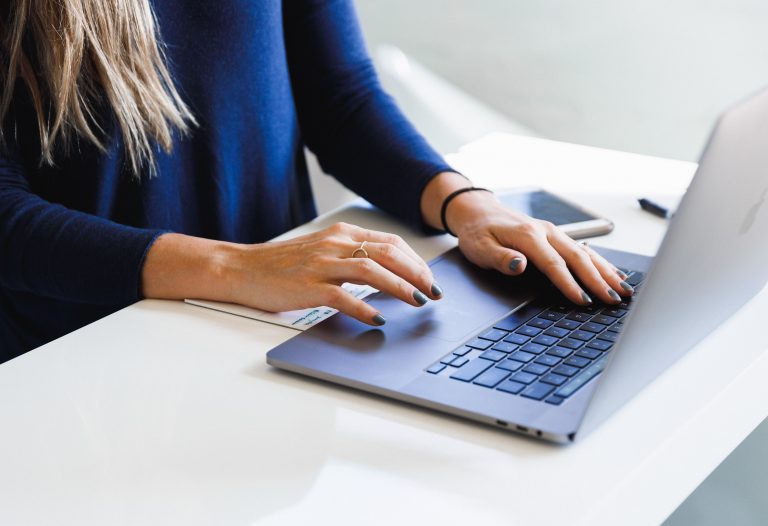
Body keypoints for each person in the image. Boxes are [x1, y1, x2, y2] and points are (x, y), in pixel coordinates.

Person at [0, 0, 633, 364]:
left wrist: (464, 202)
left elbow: (339, 96)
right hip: (86, 355)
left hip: (276, 327)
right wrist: (234, 267)